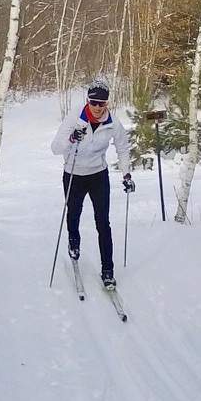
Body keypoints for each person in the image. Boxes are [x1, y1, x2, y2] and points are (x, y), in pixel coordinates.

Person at [51, 81, 135, 287]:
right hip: (73, 174)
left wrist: (126, 175)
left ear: (107, 103)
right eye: (93, 102)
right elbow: (55, 148)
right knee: (73, 213)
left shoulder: (113, 123)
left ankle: (108, 270)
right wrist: (72, 138)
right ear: (88, 101)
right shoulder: (74, 118)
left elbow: (123, 149)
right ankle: (73, 241)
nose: (97, 107)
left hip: (98, 174)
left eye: (102, 103)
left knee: (103, 223)